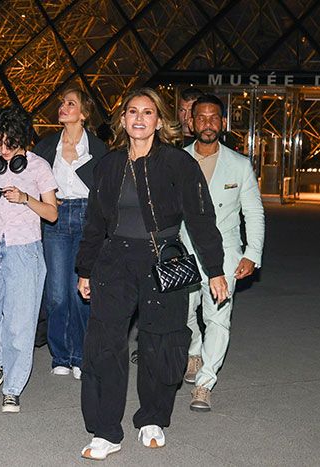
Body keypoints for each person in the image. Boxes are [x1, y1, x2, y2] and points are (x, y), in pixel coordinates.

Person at [75, 87, 228, 459]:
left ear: (159, 121)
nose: (139, 118)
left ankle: (152, 418)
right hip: (114, 261)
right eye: (132, 112)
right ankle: (106, 430)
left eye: (147, 112)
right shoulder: (109, 165)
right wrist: (85, 269)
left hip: (163, 259)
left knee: (161, 343)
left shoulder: (177, 163)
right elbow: (94, 222)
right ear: (123, 119)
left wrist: (215, 269)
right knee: (104, 345)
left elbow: (201, 218)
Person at [0, 106, 57, 413]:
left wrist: (26, 199)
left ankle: (13, 388)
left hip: (24, 252)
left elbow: (52, 213)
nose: (2, 150)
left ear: (21, 141)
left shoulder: (39, 167)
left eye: (9, 143)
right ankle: (3, 359)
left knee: (20, 324)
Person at [181, 94, 265, 412]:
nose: (207, 123)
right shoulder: (177, 161)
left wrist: (251, 253)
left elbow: (253, 213)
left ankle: (204, 383)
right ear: (191, 123)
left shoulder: (239, 165)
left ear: (223, 123)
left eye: (214, 117)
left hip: (227, 252)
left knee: (218, 319)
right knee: (186, 312)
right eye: (201, 117)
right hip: (186, 251)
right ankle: (193, 350)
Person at [33, 88, 108, 379]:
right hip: (56, 220)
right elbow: (29, 179)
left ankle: (80, 354)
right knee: (56, 294)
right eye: (62, 103)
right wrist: (46, 198)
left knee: (81, 292)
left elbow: (107, 188)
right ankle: (60, 354)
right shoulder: (46, 146)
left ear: (84, 113)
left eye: (70, 103)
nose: (62, 107)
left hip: (88, 218)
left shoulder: (99, 149)